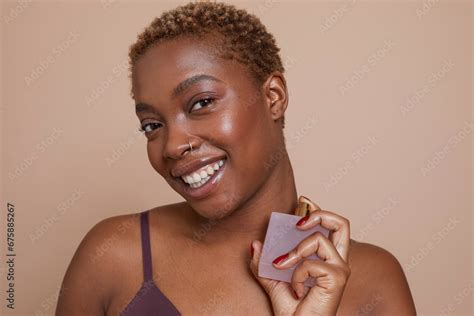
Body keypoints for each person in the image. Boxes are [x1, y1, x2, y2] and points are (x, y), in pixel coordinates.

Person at [56, 2, 416, 315]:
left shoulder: (374, 281)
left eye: (201, 103)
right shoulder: (112, 256)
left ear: (273, 97)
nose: (172, 145)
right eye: (152, 125)